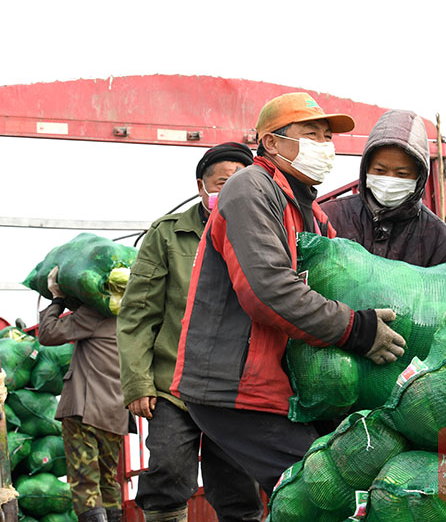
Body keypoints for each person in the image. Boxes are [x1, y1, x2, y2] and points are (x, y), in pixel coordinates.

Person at [169, 92, 407, 496]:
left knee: (300, 492)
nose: (324, 146)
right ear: (272, 142)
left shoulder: (310, 211)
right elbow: (269, 289)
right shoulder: (250, 189)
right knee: (318, 490)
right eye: (311, 134)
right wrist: (358, 330)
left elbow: (344, 280)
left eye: (327, 137)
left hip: (275, 385)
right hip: (236, 387)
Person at [116, 142, 264, 522]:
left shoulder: (262, 233)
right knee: (167, 470)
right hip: (173, 384)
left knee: (238, 487)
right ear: (202, 187)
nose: (229, 190)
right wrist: (138, 384)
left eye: (239, 182)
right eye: (221, 182)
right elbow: (137, 313)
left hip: (235, 386)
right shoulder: (168, 235)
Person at [38, 267, 127, 522]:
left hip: (85, 409)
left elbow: (48, 333)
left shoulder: (95, 313)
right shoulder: (134, 316)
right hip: (116, 413)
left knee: (84, 479)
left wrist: (57, 299)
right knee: (108, 480)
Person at [321, 109, 446, 266]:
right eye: (380, 171)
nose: (389, 180)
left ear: (419, 177)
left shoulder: (442, 241)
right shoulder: (329, 217)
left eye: (402, 174)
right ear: (366, 169)